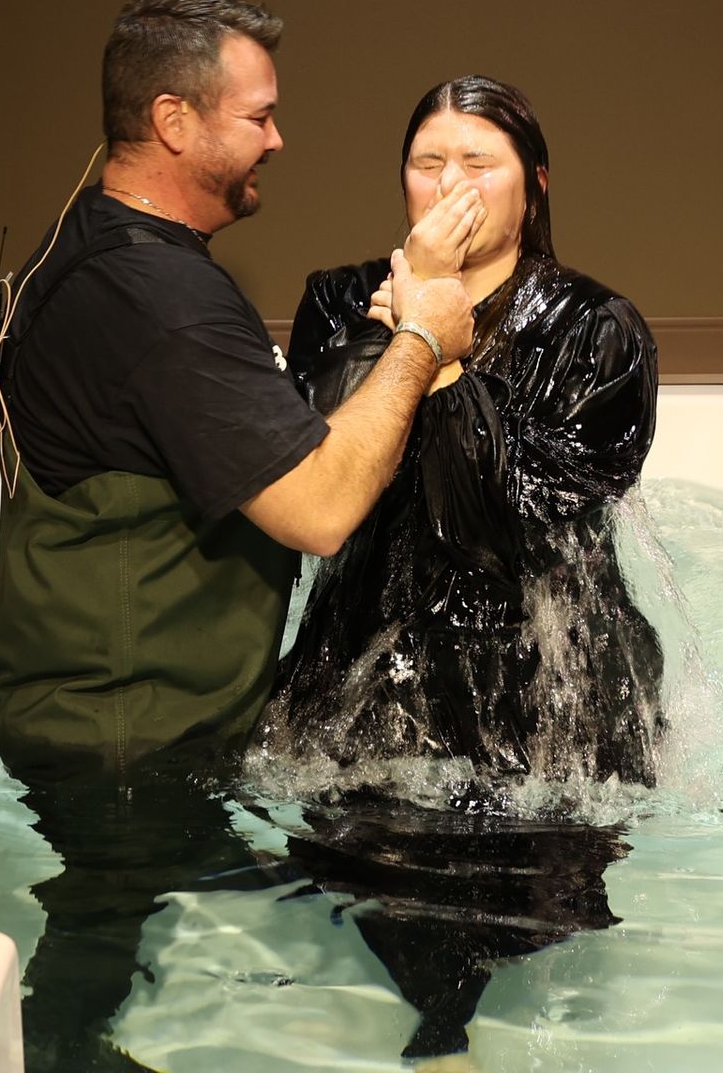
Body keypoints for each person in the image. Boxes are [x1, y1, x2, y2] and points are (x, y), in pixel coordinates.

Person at [0, 0, 478, 1070]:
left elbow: (248, 442)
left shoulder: (94, 245)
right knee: (80, 983)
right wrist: (427, 332)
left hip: (92, 705)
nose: (278, 138)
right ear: (173, 122)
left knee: (123, 919)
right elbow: (322, 510)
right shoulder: (165, 302)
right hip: (119, 730)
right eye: (258, 116)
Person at [251, 75, 663, 1060]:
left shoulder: (601, 328)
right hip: (375, 644)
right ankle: (429, 1017)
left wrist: (430, 343)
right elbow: (326, 467)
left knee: (535, 893)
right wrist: (404, 323)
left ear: (537, 183)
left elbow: (524, 516)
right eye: (428, 163)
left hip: (539, 664)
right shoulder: (340, 299)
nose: (451, 183)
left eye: (479, 164)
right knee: (365, 871)